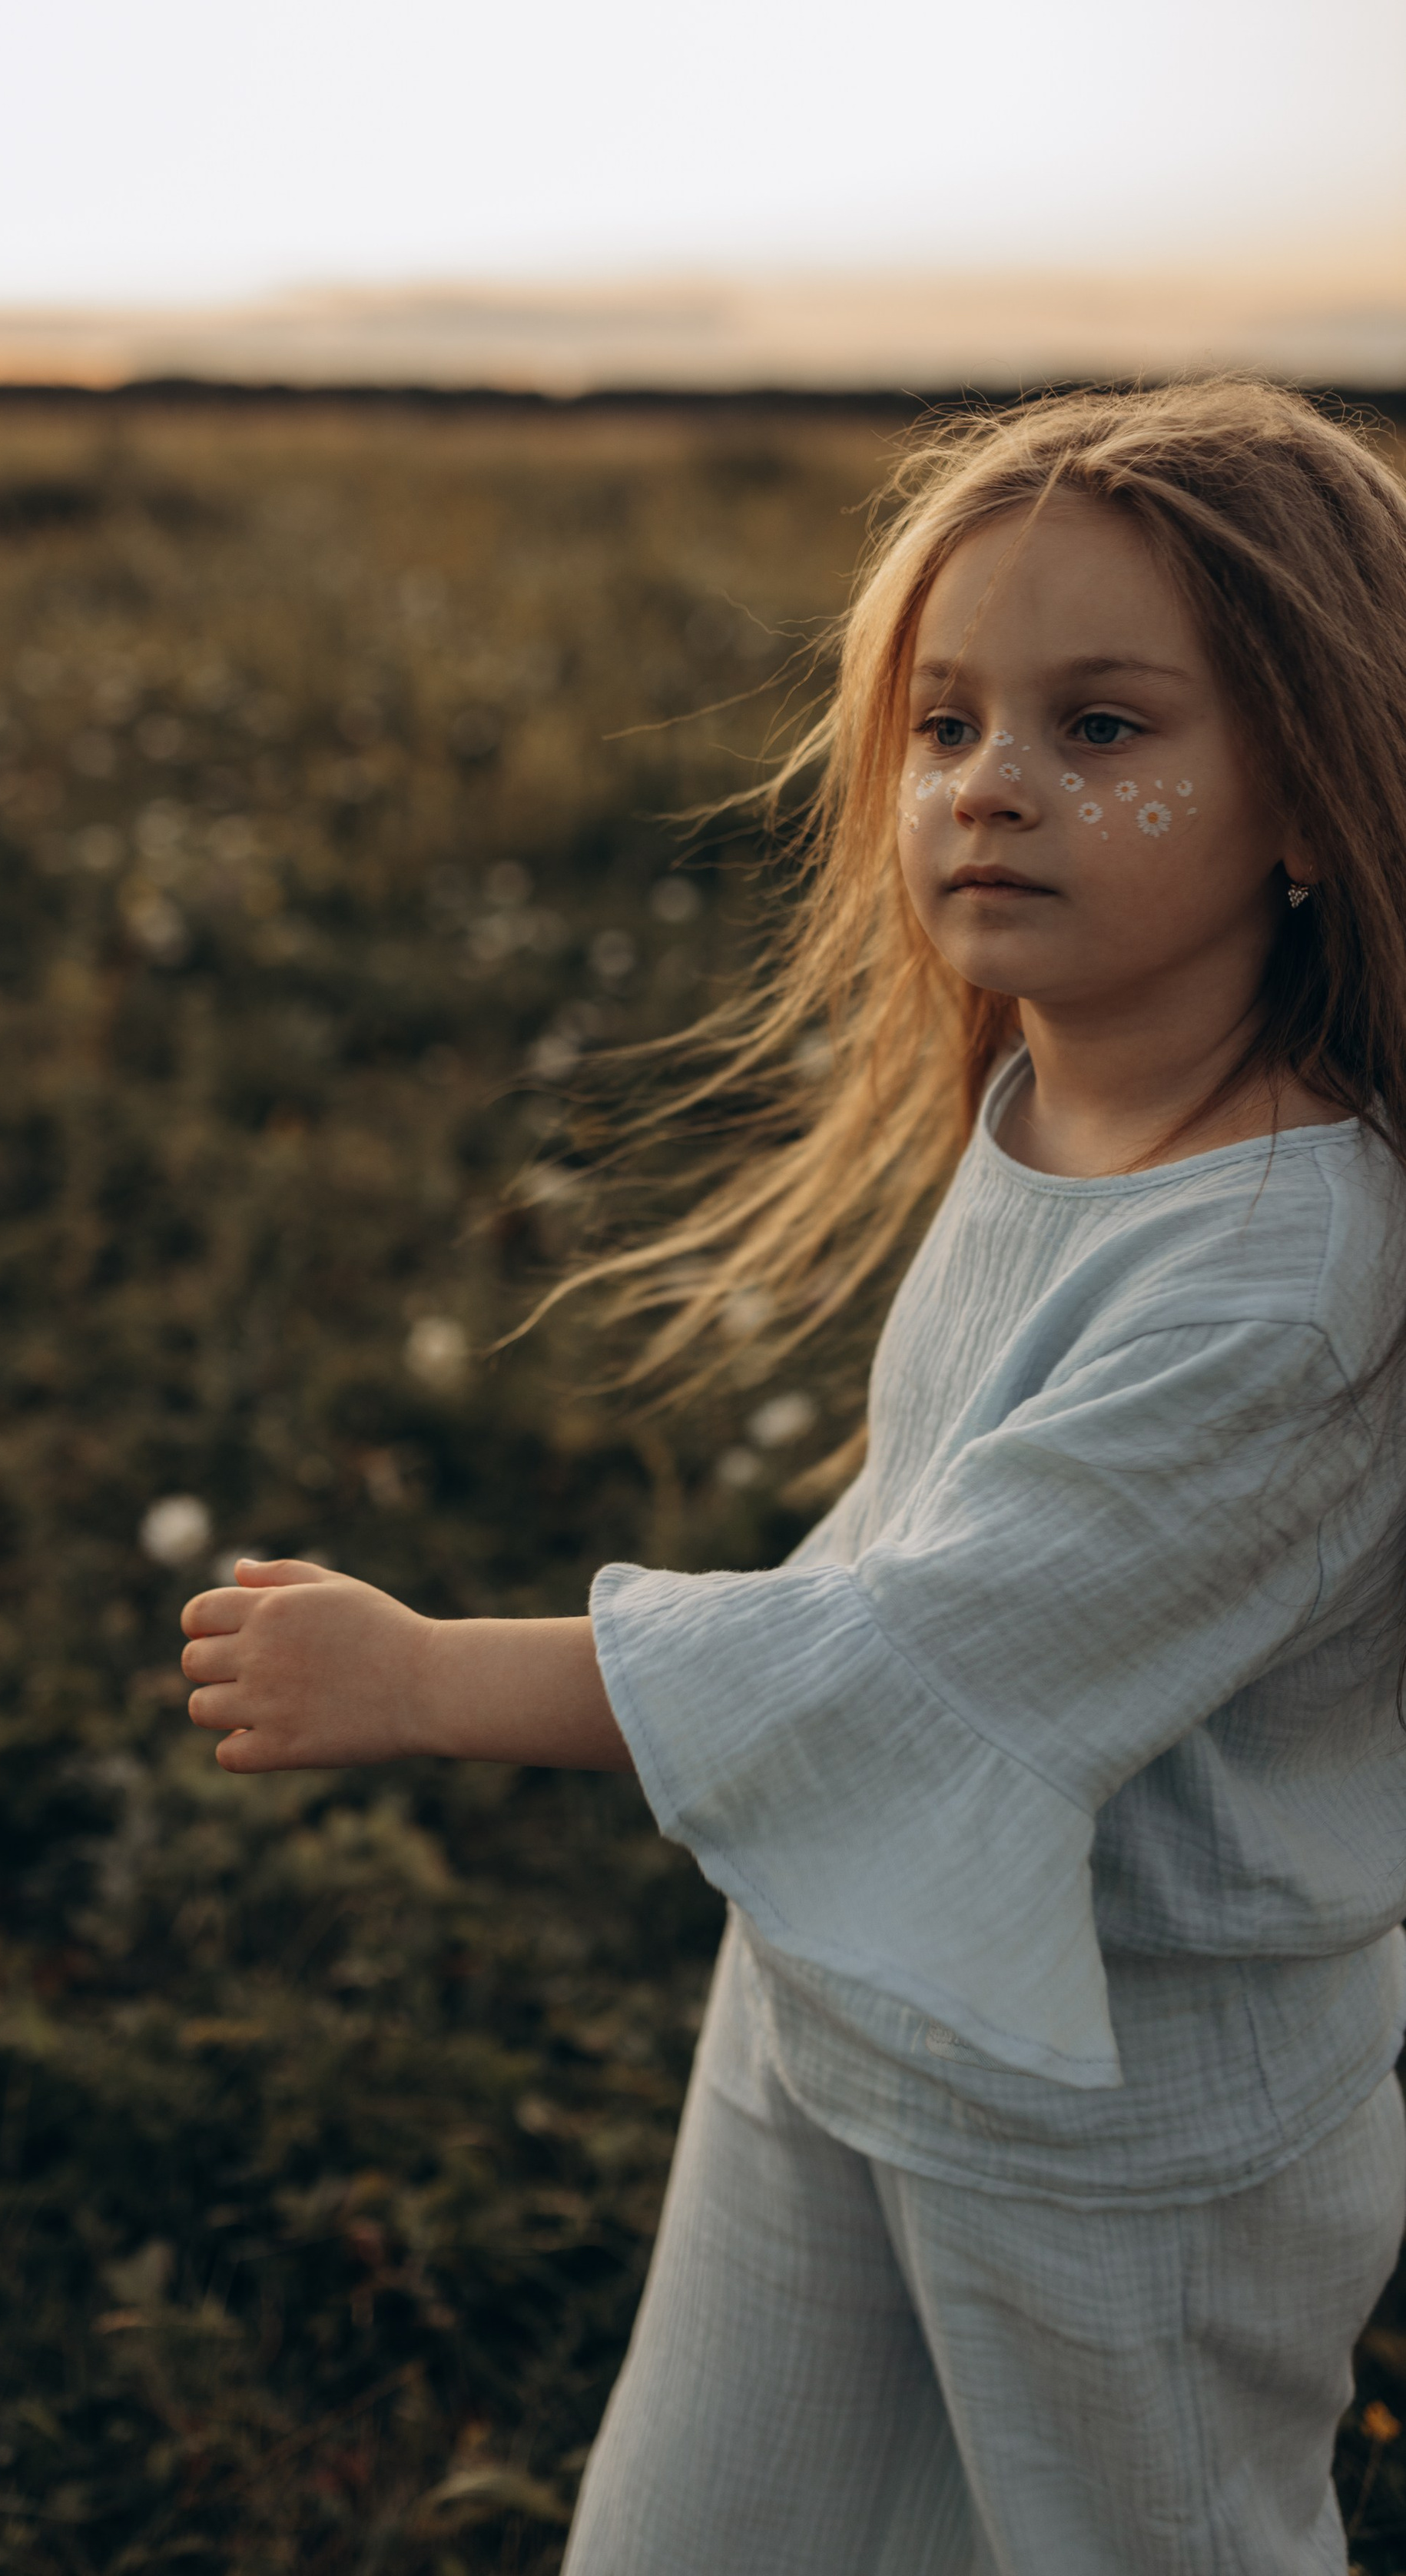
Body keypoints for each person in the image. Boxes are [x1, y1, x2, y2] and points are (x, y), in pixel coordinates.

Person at [177, 379, 1406, 2573]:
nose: (992, 785)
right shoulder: (1060, 1094)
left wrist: (434, 1679)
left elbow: (913, 1666)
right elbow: (912, 1554)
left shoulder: (1295, 1287)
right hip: (851, 1988)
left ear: (1307, 792)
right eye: (946, 726)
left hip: (1122, 2133)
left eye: (1104, 729)